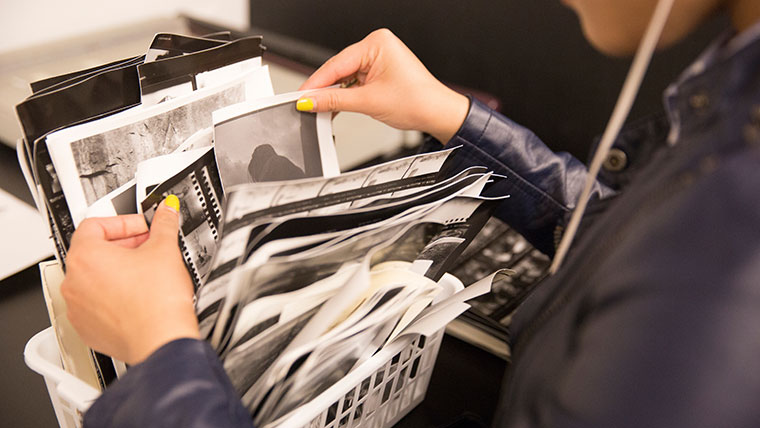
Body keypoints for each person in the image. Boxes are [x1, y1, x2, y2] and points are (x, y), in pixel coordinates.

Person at [61, 0, 760, 426]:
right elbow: (626, 238)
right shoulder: (731, 102)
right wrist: (452, 117)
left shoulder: (729, 261)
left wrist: (158, 353)